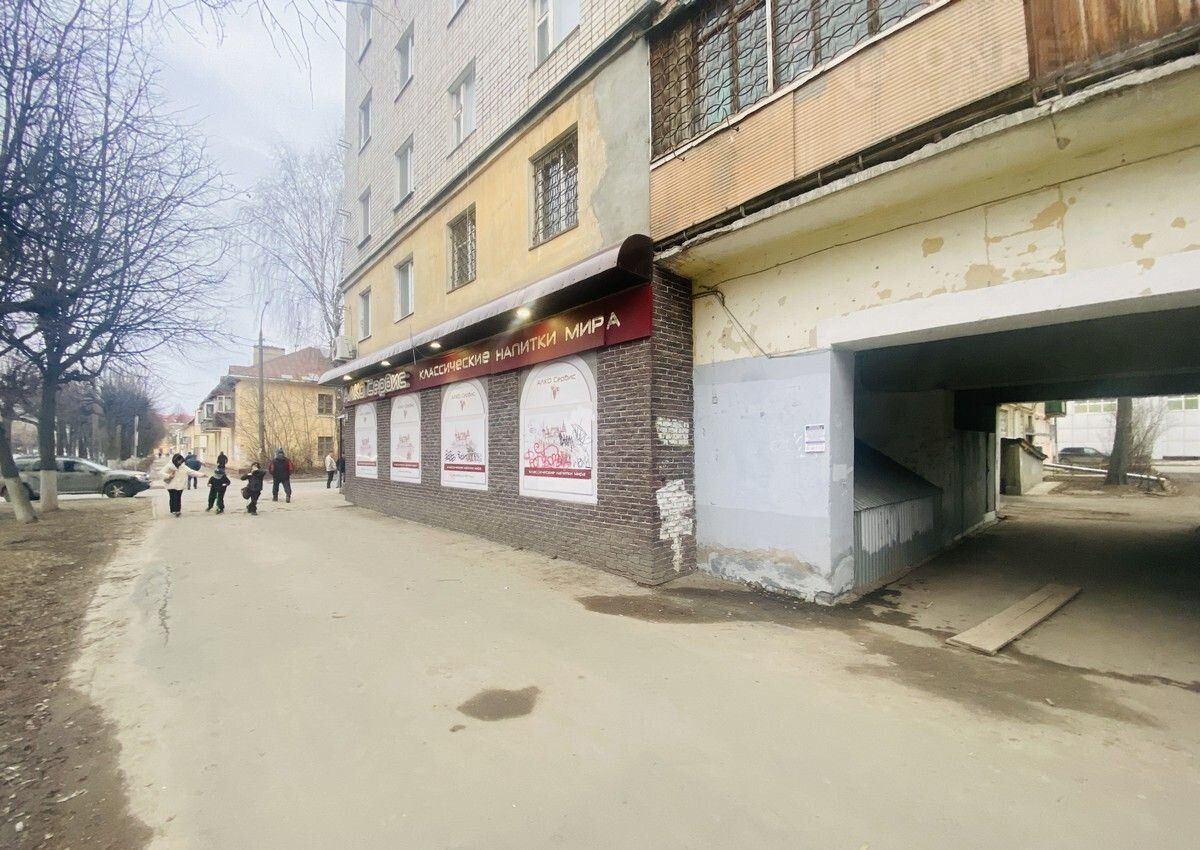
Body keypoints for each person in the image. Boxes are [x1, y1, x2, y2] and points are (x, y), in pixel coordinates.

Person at [162, 453, 204, 517]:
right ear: (176, 460)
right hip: (171, 485)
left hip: (180, 485)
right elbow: (161, 472)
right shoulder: (169, 466)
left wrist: (202, 475)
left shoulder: (183, 467)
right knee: (173, 497)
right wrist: (168, 476)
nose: (181, 462)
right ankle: (175, 510)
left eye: (181, 461)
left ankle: (176, 510)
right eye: (180, 461)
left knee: (177, 497)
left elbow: (191, 472)